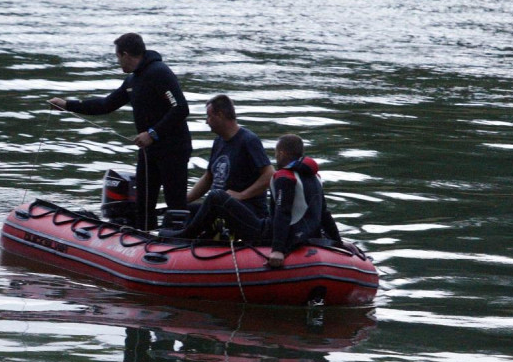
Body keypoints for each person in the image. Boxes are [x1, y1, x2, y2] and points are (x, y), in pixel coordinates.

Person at [50, 33, 191, 230]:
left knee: (175, 204)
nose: (118, 62)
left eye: (117, 57)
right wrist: (67, 105)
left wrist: (152, 134)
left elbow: (181, 108)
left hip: (173, 149)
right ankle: (145, 246)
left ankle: (179, 244)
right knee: (143, 205)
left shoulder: (159, 73)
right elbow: (106, 104)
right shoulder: (133, 80)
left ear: (125, 54)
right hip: (149, 152)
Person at [161, 134, 342, 268]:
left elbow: (282, 213)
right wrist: (338, 242)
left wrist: (278, 249)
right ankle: (199, 233)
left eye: (276, 154)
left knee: (217, 197)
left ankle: (185, 236)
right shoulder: (313, 176)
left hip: (267, 234)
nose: (276, 158)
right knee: (196, 208)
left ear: (282, 153)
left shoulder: (285, 178)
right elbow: (324, 214)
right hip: (301, 233)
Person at [187, 95, 273, 219]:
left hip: (246, 209)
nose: (206, 121)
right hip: (218, 205)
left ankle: (185, 236)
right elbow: (208, 177)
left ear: (220, 115)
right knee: (182, 210)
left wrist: (242, 195)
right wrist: (185, 199)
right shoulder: (218, 141)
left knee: (217, 199)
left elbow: (269, 174)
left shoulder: (248, 140)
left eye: (209, 116)